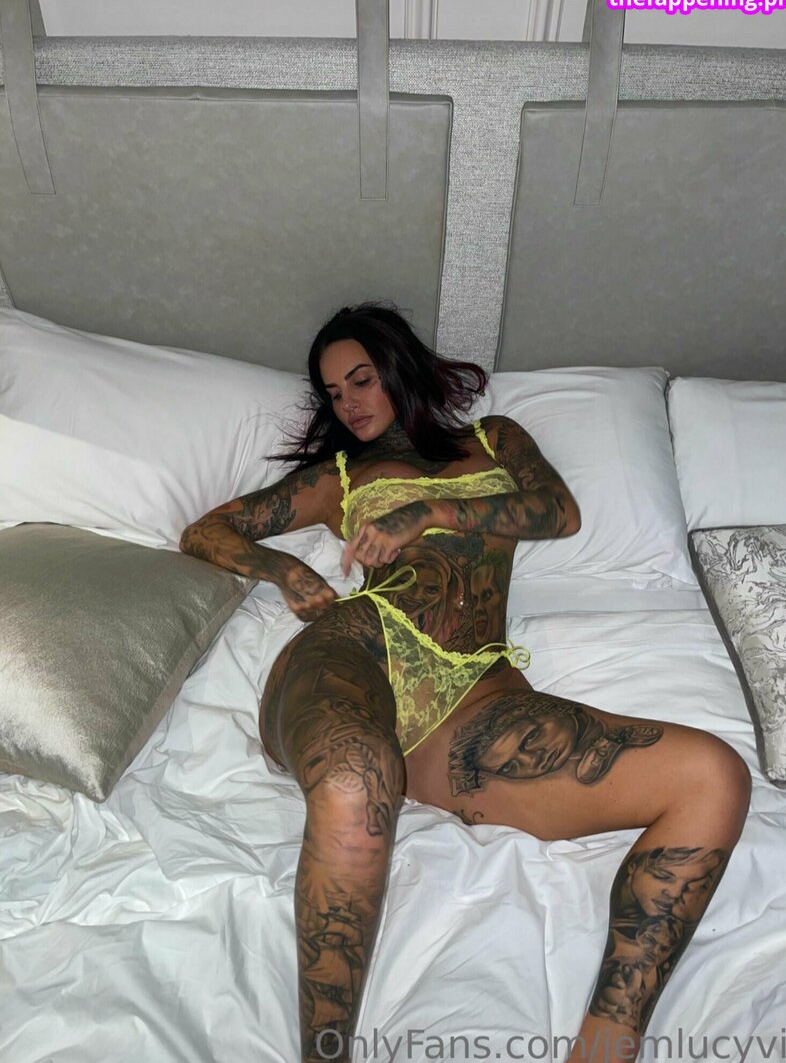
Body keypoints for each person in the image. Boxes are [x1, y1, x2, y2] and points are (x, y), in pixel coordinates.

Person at [180, 302, 751, 1063]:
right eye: (334, 393)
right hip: (360, 654)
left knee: (712, 776)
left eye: (362, 380)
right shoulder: (341, 477)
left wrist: (427, 511)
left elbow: (558, 512)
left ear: (400, 370)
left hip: (475, 696)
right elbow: (206, 530)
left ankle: (605, 1046)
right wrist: (281, 569)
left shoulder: (494, 441)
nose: (349, 404)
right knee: (355, 776)